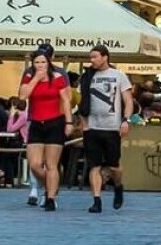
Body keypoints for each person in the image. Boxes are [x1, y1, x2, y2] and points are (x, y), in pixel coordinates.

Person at [79, 45, 134, 213]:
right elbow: (82, 102)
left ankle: (118, 186)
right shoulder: (88, 76)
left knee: (114, 166)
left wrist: (126, 120)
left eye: (95, 57)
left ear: (105, 57)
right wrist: (84, 124)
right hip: (93, 126)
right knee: (94, 165)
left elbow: (128, 100)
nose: (92, 60)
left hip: (112, 127)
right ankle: (97, 200)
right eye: (91, 57)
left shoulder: (118, 76)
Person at [19, 46, 72, 211]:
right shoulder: (29, 77)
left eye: (43, 62)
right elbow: (22, 96)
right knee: (35, 164)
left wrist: (69, 122)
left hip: (55, 122)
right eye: (37, 62)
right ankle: (51, 186)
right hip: (36, 122)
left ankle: (50, 198)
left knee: (51, 164)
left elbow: (66, 100)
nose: (40, 65)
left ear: (49, 62)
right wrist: (36, 78)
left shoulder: (58, 77)